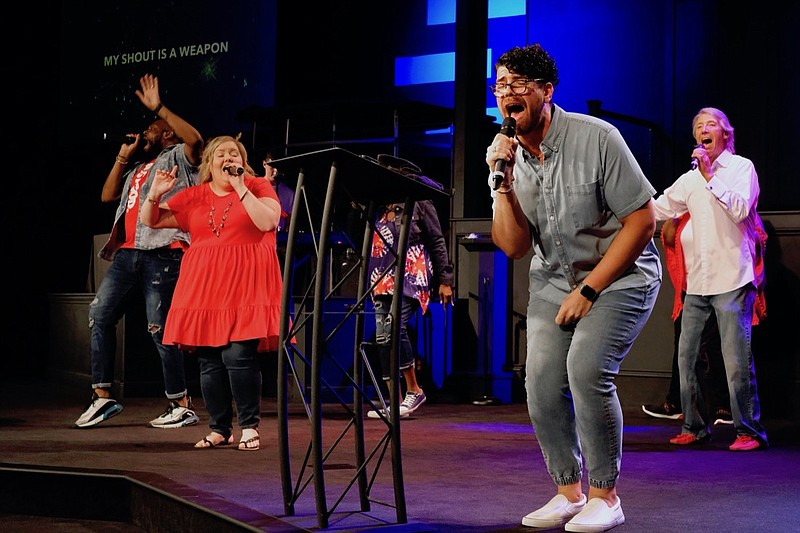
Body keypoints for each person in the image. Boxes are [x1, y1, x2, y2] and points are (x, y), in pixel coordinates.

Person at [486, 44, 661, 532]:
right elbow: (515, 247)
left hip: (621, 274)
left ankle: (606, 496)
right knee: (540, 381)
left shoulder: (597, 137)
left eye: (518, 85)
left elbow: (643, 221)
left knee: (585, 369)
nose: (507, 96)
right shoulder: (509, 156)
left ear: (546, 90)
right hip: (553, 280)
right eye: (500, 87)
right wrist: (499, 183)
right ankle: (568, 491)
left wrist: (589, 290)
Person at [74, 74, 204, 430]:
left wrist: (159, 108)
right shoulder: (136, 168)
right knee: (99, 314)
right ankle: (102, 398)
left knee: (158, 327)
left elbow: (195, 139)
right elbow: (106, 196)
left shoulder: (179, 155)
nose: (144, 131)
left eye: (151, 127)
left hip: (163, 252)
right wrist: (123, 155)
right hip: (127, 254)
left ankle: (180, 403)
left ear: (166, 133)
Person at [140, 135, 283, 451]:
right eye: (221, 153)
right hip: (204, 287)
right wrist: (154, 193)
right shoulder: (195, 196)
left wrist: (241, 185)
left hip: (247, 284)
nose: (229, 157)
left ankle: (249, 427)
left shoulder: (257, 186)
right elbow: (151, 221)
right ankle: (219, 428)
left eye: (235, 153)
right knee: (209, 361)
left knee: (238, 355)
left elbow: (267, 221)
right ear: (209, 163)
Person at [653, 107, 769, 452]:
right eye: (699, 127)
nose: (704, 130)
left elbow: (740, 209)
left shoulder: (740, 168)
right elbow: (660, 208)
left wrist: (709, 177)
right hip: (697, 284)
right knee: (686, 358)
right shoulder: (689, 179)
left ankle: (749, 431)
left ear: (725, 133)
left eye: (711, 125)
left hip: (732, 278)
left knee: (736, 362)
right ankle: (694, 426)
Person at [365, 155, 454, 420]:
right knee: (382, 336)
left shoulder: (419, 202)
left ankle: (415, 389)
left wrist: (445, 280)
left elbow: (437, 240)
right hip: (381, 274)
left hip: (409, 274)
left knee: (394, 328)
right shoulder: (379, 202)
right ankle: (395, 400)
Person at [642, 214, 733, 426]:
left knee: (715, 345)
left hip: (721, 285)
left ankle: (724, 406)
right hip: (690, 287)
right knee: (685, 346)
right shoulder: (684, 209)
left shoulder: (725, 199)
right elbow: (669, 235)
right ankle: (679, 404)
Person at [262, 151, 295, 233]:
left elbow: (289, 222)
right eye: (272, 166)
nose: (275, 171)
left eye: (277, 167)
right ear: (264, 164)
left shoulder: (288, 193)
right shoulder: (254, 187)